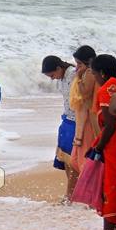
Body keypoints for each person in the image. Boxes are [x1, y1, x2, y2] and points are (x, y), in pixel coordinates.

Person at [42, 55, 79, 202]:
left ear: (59, 68)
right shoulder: (62, 78)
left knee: (73, 161)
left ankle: (70, 195)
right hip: (67, 119)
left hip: (77, 121)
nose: (52, 78)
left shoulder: (72, 74)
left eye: (52, 75)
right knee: (64, 159)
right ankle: (71, 192)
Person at [90, 54, 116, 230]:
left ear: (101, 72)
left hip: (114, 145)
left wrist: (99, 147)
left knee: (111, 188)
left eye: (93, 73)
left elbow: (110, 124)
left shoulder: (107, 89)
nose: (94, 78)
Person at [71, 45, 101, 172]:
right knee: (77, 159)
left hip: (88, 119)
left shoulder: (89, 72)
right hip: (86, 117)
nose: (77, 67)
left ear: (87, 63)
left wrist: (78, 77)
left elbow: (85, 93)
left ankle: (88, 189)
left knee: (82, 160)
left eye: (79, 63)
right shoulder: (91, 71)